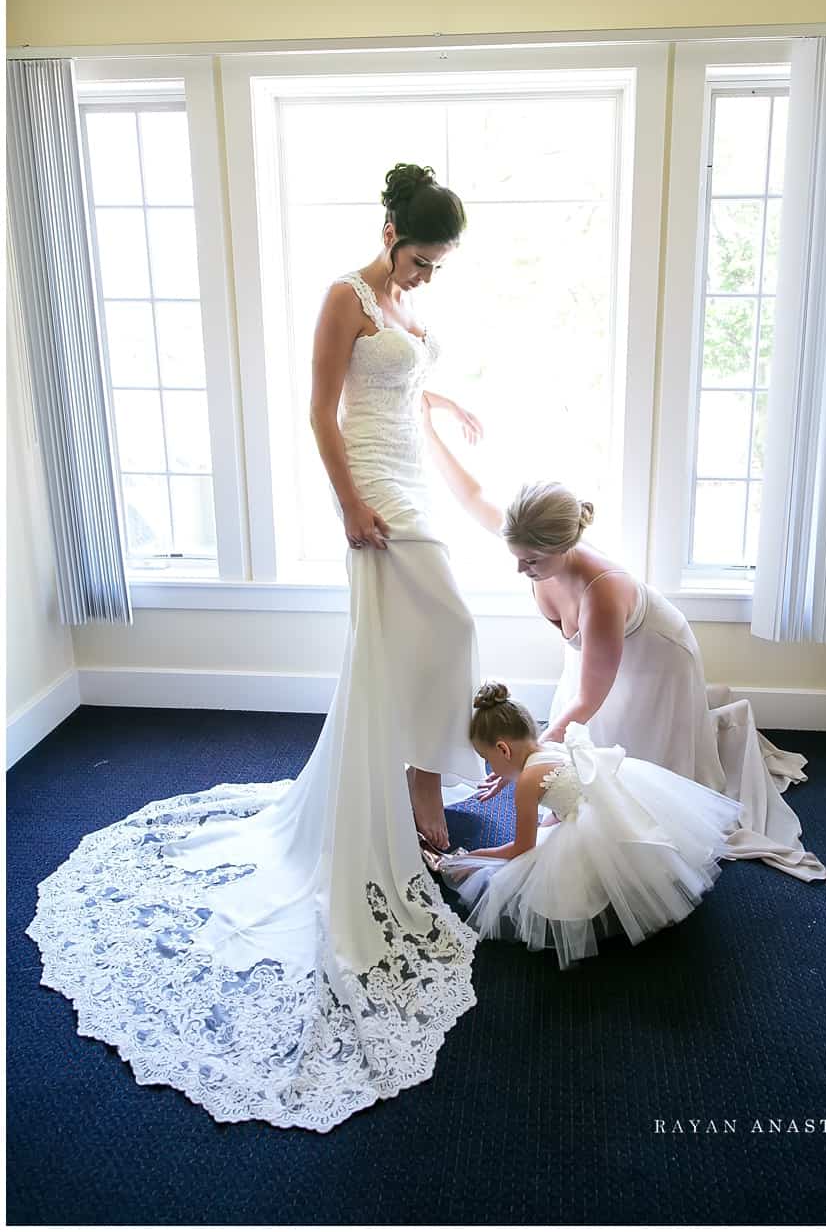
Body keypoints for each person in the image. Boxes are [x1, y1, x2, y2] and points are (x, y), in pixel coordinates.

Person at [26, 163, 487, 1135]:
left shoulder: (401, 304)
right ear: (391, 231)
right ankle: (414, 786)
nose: (428, 276)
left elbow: (401, 385)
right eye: (422, 258)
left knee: (430, 633)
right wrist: (351, 502)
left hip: (408, 464)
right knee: (449, 622)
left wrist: (439, 411)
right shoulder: (345, 296)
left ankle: (413, 780)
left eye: (440, 265)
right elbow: (323, 412)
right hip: (371, 484)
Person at [423, 419, 826, 882]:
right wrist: (428, 430)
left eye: (531, 561)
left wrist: (527, 754)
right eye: (516, 555)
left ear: (564, 546)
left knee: (644, 784)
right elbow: (472, 496)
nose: (520, 569)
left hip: (658, 660)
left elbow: (587, 700)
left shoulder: (602, 592)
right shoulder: (531, 537)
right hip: (600, 658)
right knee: (585, 753)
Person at [437, 683, 746, 969]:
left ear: (503, 750)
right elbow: (571, 787)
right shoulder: (550, 748)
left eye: (486, 757)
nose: (490, 767)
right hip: (609, 805)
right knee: (566, 831)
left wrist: (477, 857)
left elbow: (522, 848)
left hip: (592, 828)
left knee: (548, 874)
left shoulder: (527, 785)